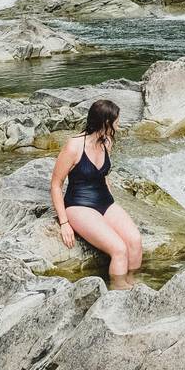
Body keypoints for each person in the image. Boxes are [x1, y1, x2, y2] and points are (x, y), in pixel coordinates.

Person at [50, 97, 143, 284]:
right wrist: (64, 223)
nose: (119, 125)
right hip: (79, 205)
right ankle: (117, 294)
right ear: (105, 123)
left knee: (135, 241)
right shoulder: (73, 146)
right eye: (116, 121)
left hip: (105, 202)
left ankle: (132, 287)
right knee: (119, 249)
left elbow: (103, 175)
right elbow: (55, 185)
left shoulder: (107, 142)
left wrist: (113, 205)